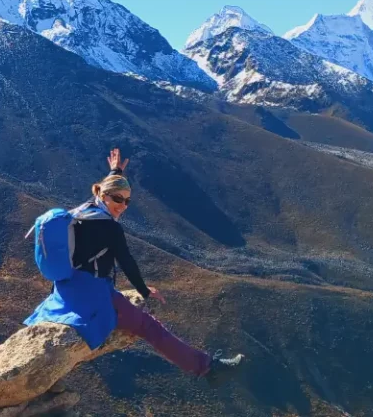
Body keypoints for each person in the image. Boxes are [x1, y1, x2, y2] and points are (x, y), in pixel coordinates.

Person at [24, 147, 244, 387]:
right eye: (118, 199)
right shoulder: (110, 227)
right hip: (92, 293)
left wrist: (115, 172)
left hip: (65, 288)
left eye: (127, 201)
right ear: (104, 195)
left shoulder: (82, 211)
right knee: (148, 326)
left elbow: (107, 192)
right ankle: (208, 368)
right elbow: (126, 262)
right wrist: (144, 290)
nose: (123, 206)